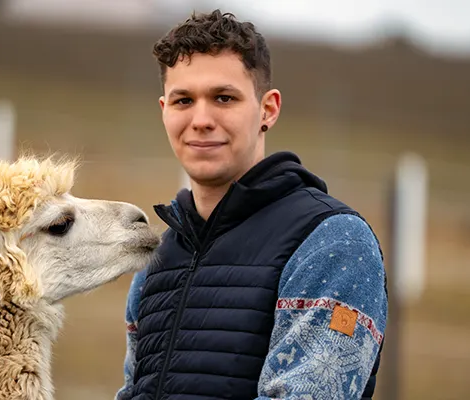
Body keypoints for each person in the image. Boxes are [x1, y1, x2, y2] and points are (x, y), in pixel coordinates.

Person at [115, 9, 389, 400]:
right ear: (164, 111)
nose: (201, 119)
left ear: (268, 109)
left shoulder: (332, 243)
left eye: (223, 98)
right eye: (183, 100)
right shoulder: (157, 260)